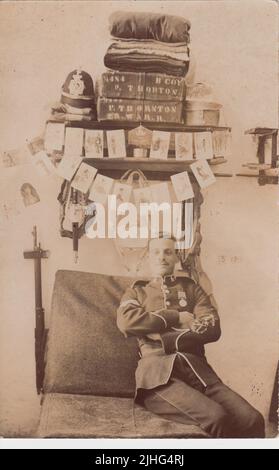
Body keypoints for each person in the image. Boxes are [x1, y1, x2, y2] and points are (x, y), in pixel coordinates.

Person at [117, 234, 265, 438]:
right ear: (148, 257)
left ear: (176, 256)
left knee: (252, 420)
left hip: (199, 372)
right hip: (159, 378)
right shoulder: (137, 292)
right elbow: (127, 322)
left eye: (168, 252)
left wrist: (160, 336)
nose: (162, 257)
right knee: (217, 417)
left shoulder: (192, 288)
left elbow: (212, 327)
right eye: (156, 252)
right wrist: (177, 317)